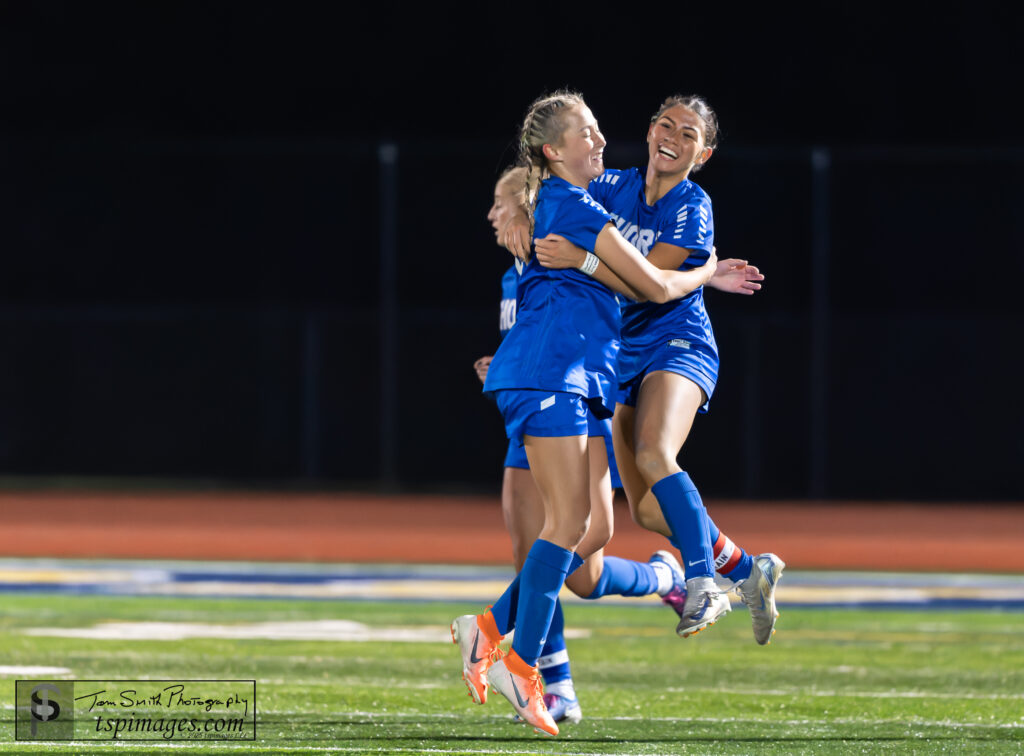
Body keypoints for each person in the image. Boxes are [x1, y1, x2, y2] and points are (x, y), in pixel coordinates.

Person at [452, 91, 717, 736]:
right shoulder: (569, 202)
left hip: (572, 378)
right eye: (587, 132)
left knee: (588, 535)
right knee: (563, 528)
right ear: (553, 150)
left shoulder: (579, 201)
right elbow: (654, 286)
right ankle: (525, 665)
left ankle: (490, 630)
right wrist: (707, 273)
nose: (603, 141)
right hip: (555, 377)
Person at [526, 95, 785, 644]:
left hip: (678, 343)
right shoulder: (612, 187)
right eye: (665, 124)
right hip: (622, 354)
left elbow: (646, 282)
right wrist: (514, 202)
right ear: (648, 132)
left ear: (703, 153)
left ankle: (702, 583)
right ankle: (745, 570)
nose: (673, 136)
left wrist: (584, 260)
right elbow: (557, 191)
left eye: (688, 133)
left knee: (654, 453)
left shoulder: (693, 203)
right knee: (645, 510)